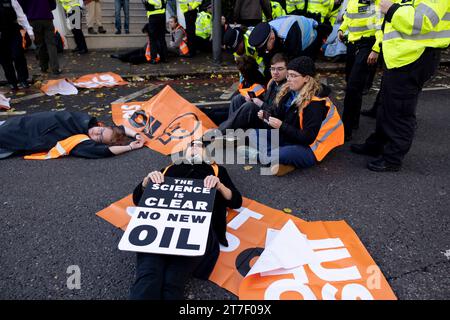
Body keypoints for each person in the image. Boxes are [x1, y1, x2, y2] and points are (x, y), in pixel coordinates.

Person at [129, 139, 242, 300]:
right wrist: (146, 182)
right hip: (160, 226)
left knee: (172, 281)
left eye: (200, 146)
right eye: (191, 145)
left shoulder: (217, 171)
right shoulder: (169, 169)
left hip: (196, 230)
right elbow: (137, 199)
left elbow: (236, 201)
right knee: (148, 277)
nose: (195, 147)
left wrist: (220, 186)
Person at [351, 0, 450, 172]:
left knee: (400, 111)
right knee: (386, 106)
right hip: (399, 58)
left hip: (414, 58)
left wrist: (392, 9)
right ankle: (378, 144)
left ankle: (392, 158)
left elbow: (422, 21)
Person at [217, 56, 344, 176]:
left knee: (278, 152)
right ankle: (282, 161)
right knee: (251, 133)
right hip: (291, 137)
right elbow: (279, 114)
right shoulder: (291, 90)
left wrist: (281, 125)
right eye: (288, 75)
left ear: (306, 78)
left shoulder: (315, 103)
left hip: (312, 147)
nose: (288, 79)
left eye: (293, 76)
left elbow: (307, 138)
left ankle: (263, 157)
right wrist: (266, 116)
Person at [0, 111, 144, 159]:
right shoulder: (90, 122)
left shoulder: (79, 141)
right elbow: (121, 128)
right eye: (100, 130)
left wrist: (130, 147)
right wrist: (136, 134)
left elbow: (105, 151)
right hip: (20, 123)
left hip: (16, 134)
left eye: (98, 137)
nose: (96, 132)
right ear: (102, 126)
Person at [337, 0, 382, 141]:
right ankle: (354, 121)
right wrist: (341, 29)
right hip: (352, 44)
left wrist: (376, 48)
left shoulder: (378, 2)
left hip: (368, 45)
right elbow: (349, 17)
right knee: (353, 85)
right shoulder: (352, 1)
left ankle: (346, 129)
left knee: (352, 88)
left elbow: (382, 27)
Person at [224, 53, 288, 119]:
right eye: (272, 69)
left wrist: (260, 103)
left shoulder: (286, 89)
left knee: (245, 104)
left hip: (268, 119)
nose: (275, 72)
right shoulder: (272, 83)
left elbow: (276, 113)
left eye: (280, 69)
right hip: (264, 113)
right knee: (237, 99)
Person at [248, 15, 318, 65]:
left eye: (266, 49)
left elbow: (293, 58)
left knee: (302, 66)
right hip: (290, 35)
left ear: (272, 38)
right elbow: (265, 58)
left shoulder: (290, 34)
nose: (265, 51)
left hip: (310, 35)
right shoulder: (266, 32)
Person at [19, 0, 61, 75]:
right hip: (47, 18)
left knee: (39, 44)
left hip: (33, 19)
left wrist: (30, 11)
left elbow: (21, 6)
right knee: (51, 44)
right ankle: (55, 69)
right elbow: (53, 5)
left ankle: (44, 67)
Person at [0, 0, 34, 90]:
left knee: (18, 54)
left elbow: (21, 16)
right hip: (0, 35)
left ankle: (23, 79)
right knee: (5, 60)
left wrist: (29, 30)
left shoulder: (11, 0)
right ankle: (12, 82)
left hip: (13, 31)